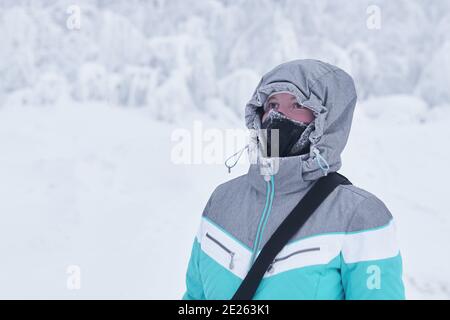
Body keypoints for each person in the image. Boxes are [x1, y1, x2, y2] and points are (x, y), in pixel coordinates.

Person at [182, 59, 405, 300]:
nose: (278, 115)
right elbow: (195, 298)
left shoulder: (359, 215)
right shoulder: (223, 200)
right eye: (272, 104)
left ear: (327, 121)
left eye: (297, 104)